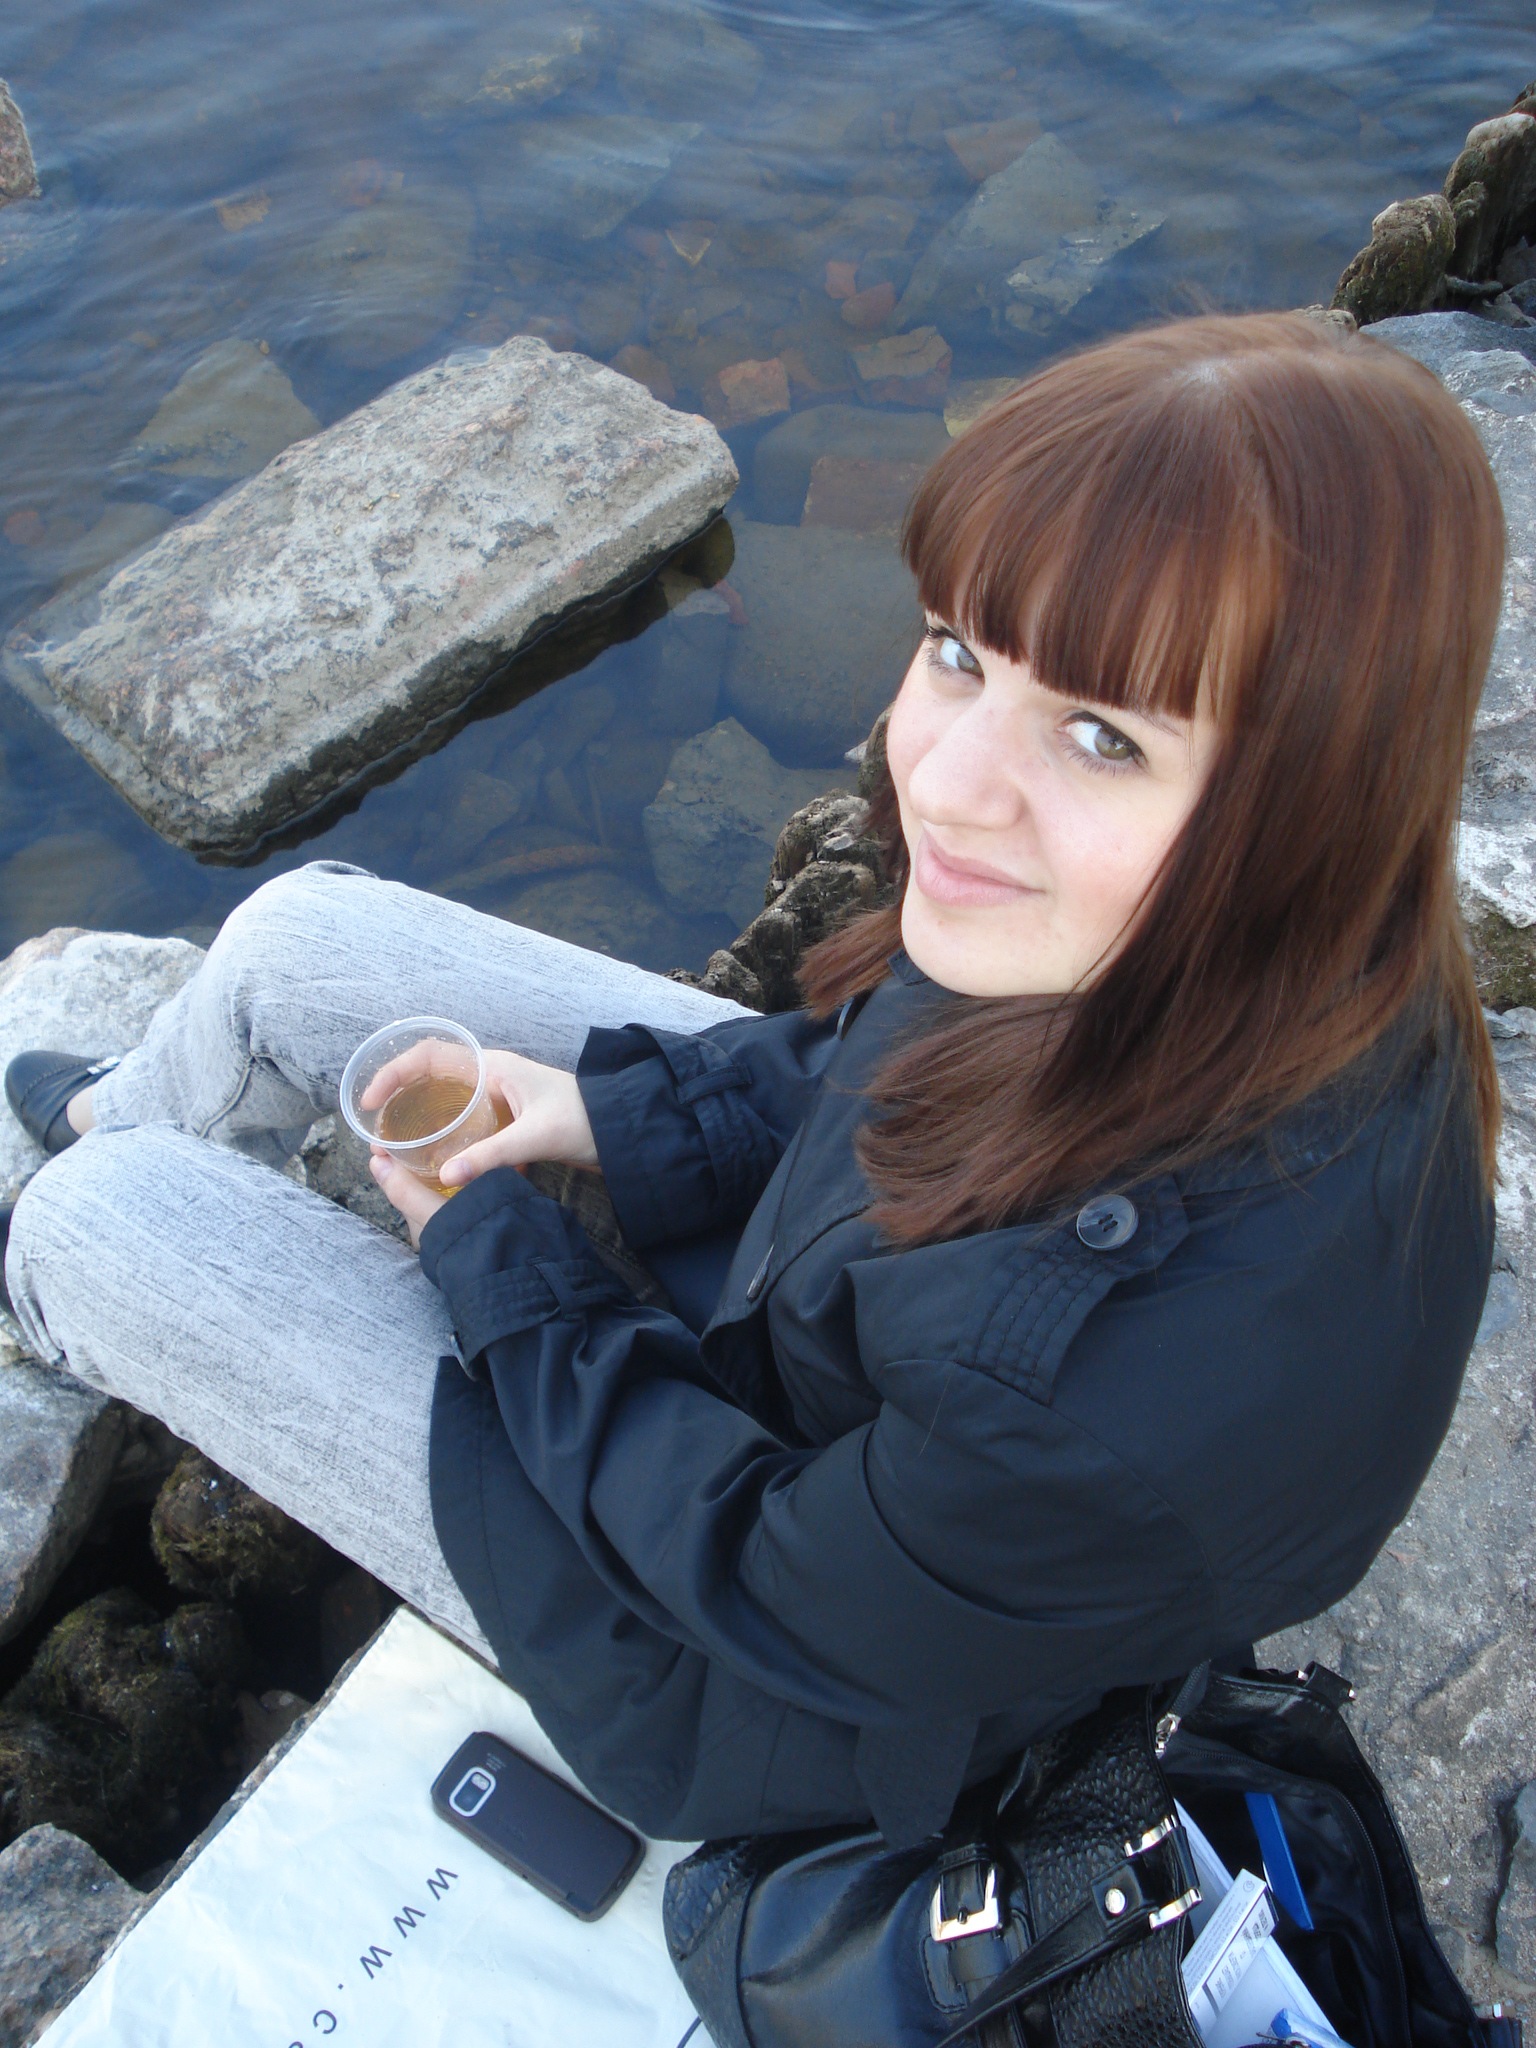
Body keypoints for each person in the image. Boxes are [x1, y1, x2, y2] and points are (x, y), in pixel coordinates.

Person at [1, 311, 1504, 1851]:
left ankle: (53, 1264)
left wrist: (498, 1252)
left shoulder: (1122, 1393)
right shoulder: (1273, 940)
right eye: (959, 652)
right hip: (810, 1342)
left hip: (730, 1667)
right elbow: (891, 1068)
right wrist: (605, 1117)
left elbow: (755, 1571)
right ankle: (136, 1105)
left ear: (1314, 794)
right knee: (298, 942)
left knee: (85, 1225)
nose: (942, 779)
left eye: (1103, 737)